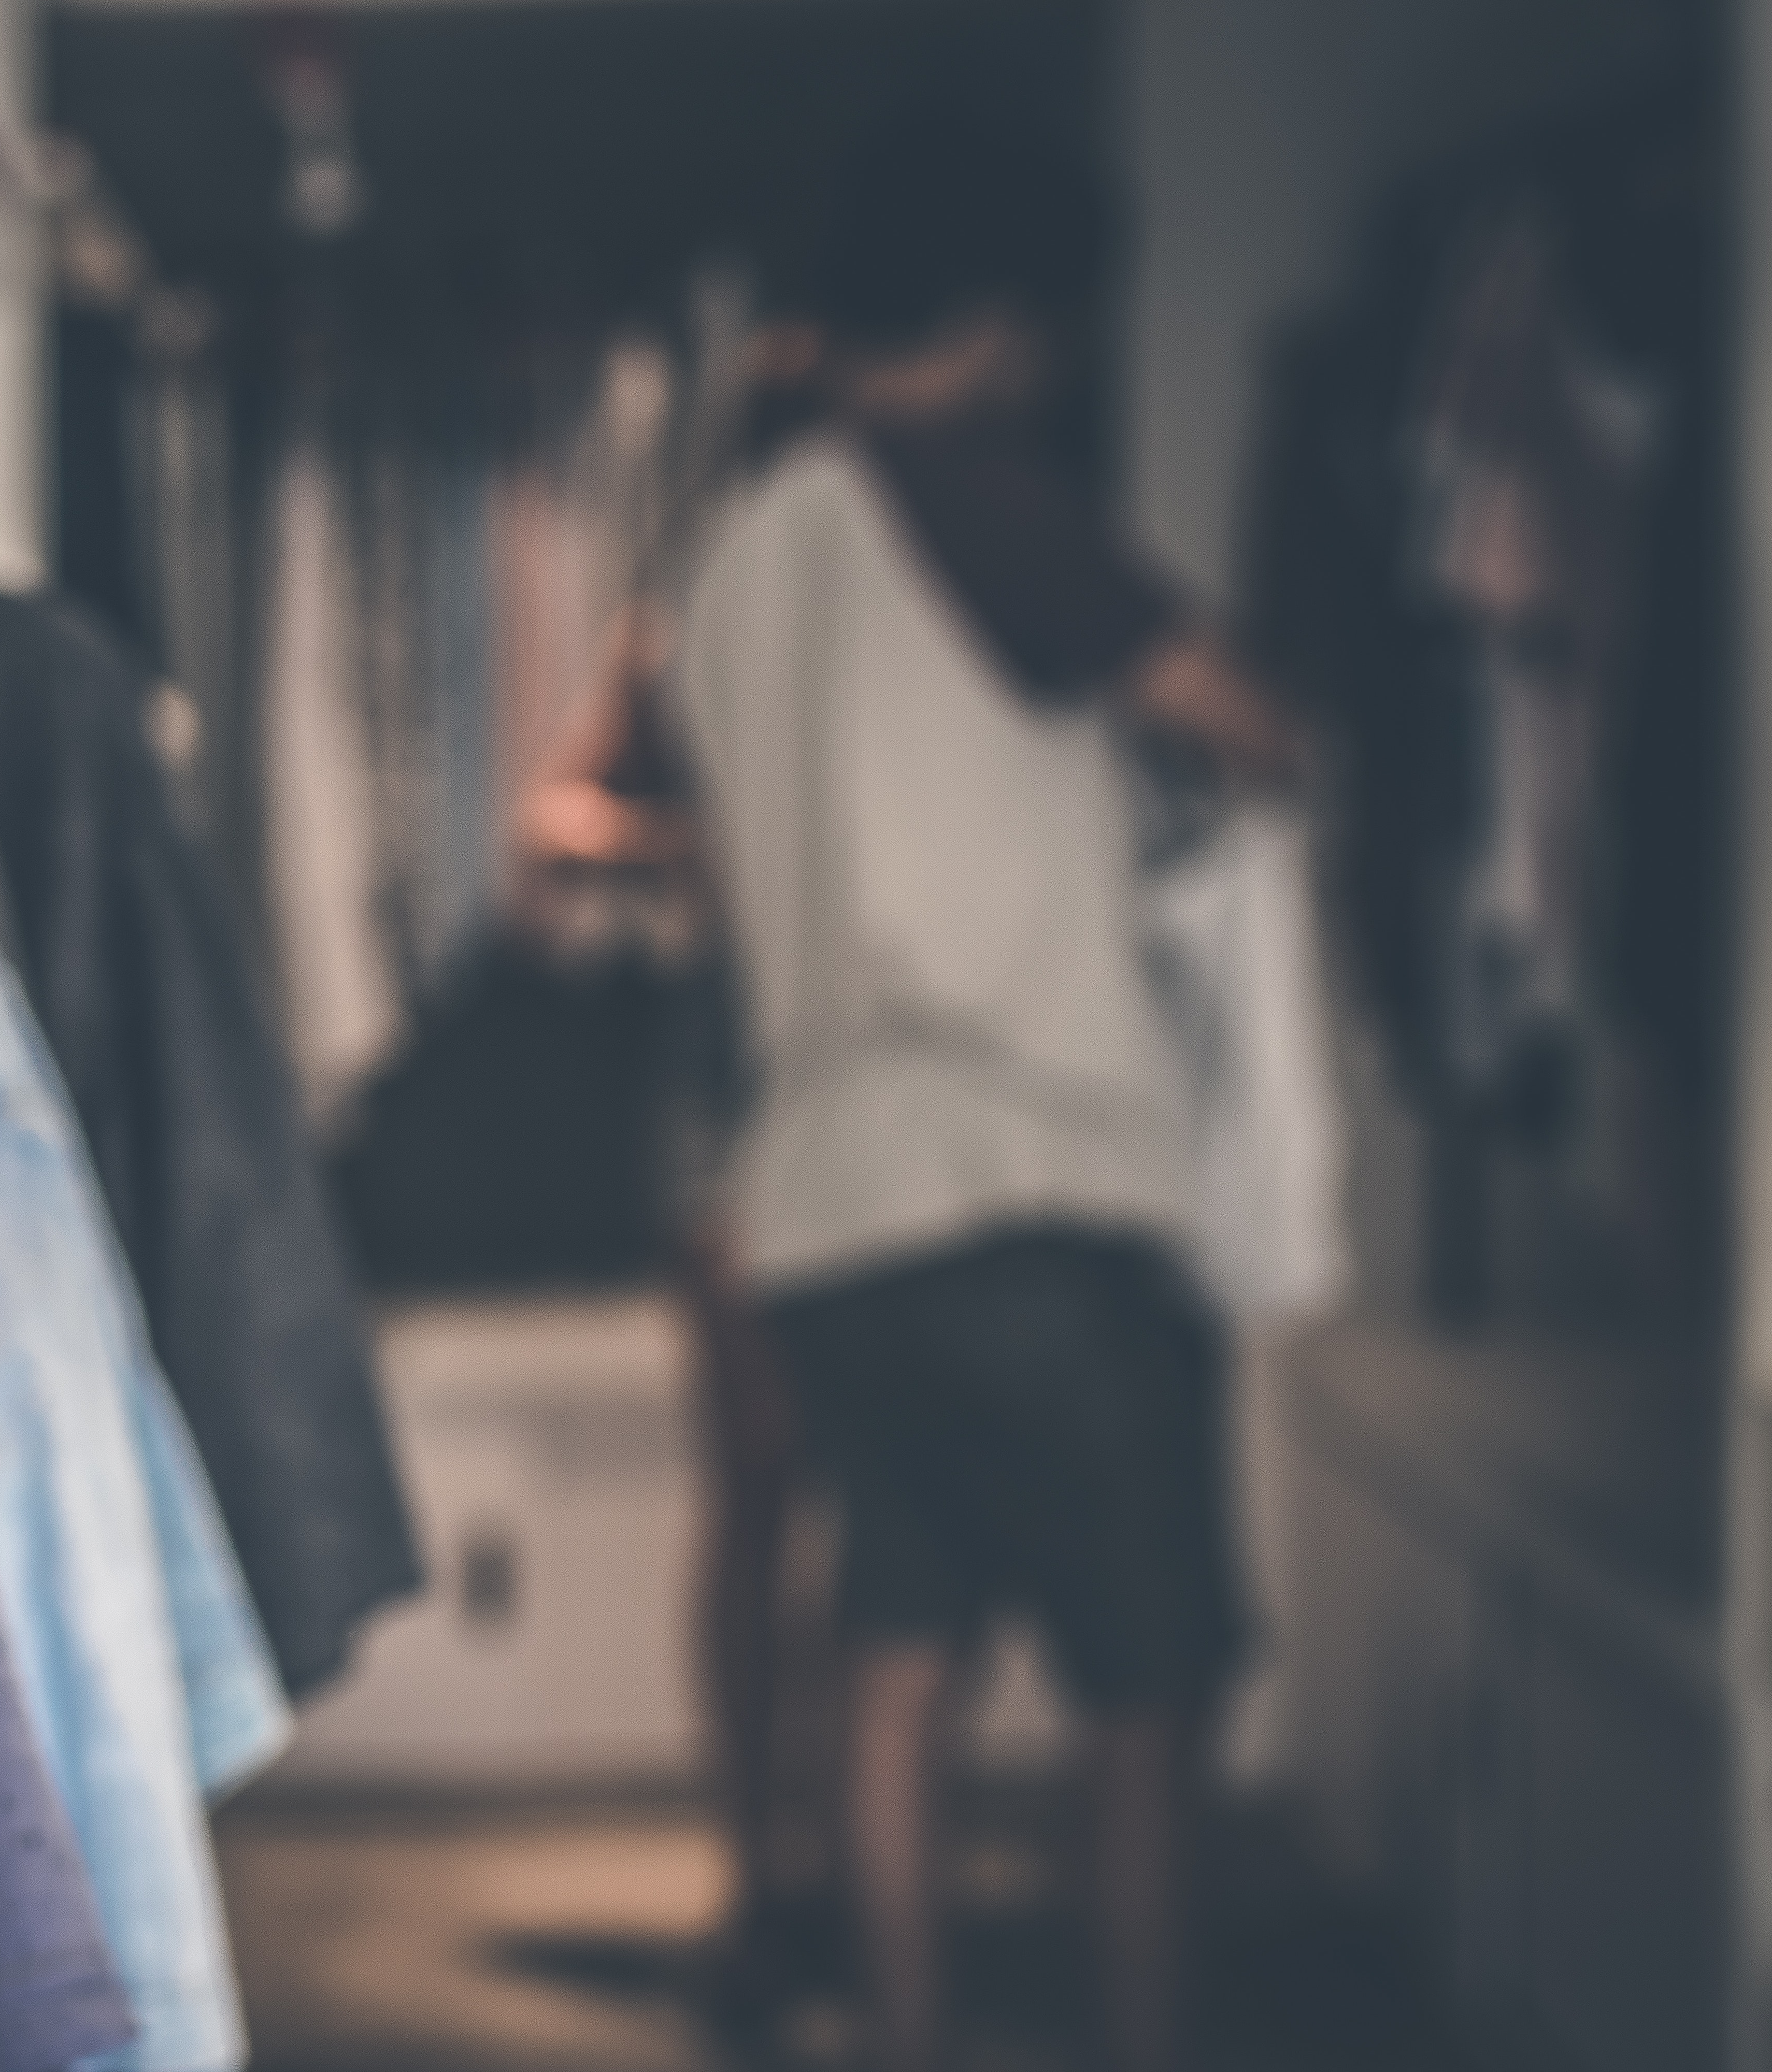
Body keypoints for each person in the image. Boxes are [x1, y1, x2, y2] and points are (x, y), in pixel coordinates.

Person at [669, 114, 1299, 2072]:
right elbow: (1233, 711)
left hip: (830, 1201)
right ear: (1010, 318)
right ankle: (1145, 2041)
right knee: (1150, 1682)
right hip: (1028, 1168)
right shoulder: (972, 493)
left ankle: (908, 2029)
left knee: (897, 1649)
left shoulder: (730, 557)